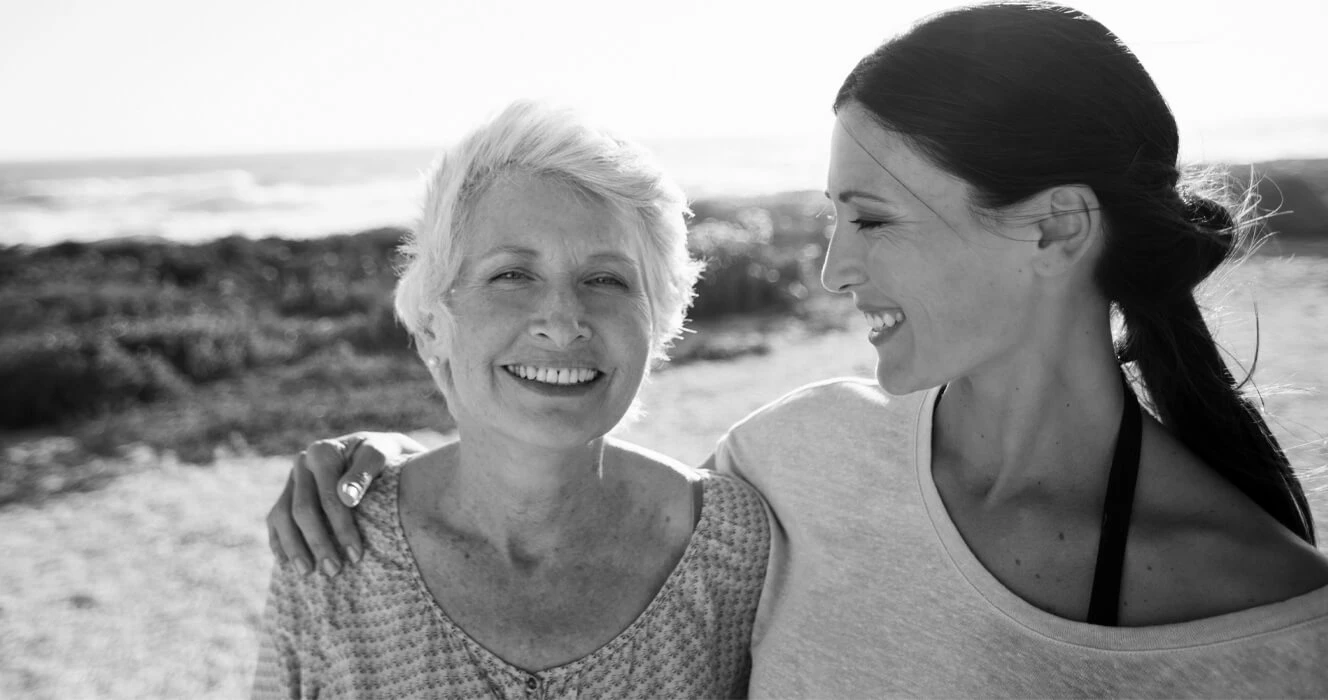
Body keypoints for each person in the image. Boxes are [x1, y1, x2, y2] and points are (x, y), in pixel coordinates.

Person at [267, 3, 1328, 696]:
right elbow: (554, 476)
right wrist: (383, 460)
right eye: (828, 217)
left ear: (1053, 228)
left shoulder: (1274, 622)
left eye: (870, 218)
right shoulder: (795, 461)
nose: (830, 270)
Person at [252, 100, 770, 699]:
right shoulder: (330, 546)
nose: (563, 323)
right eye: (512, 275)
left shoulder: (733, 547)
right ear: (433, 324)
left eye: (606, 279)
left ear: (658, 323)